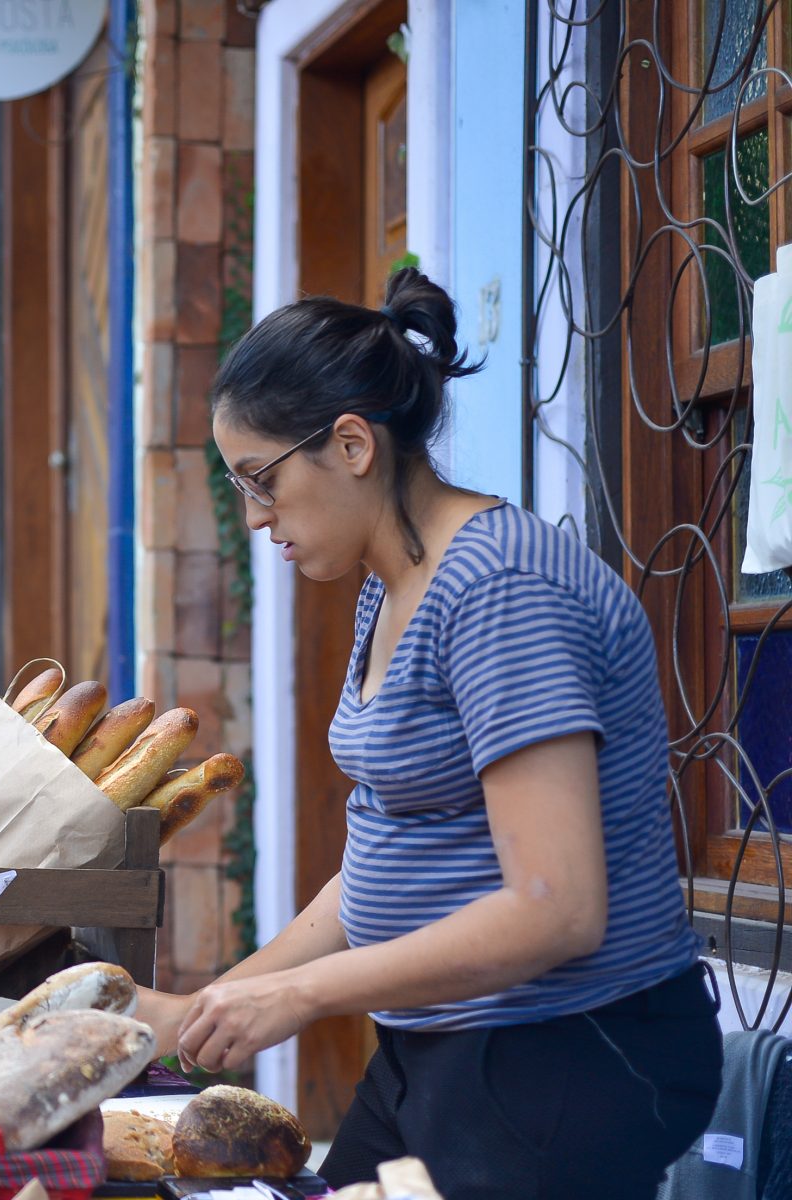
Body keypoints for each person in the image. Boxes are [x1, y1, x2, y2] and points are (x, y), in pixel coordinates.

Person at [135, 268, 722, 1199]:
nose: (254, 518)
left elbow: (555, 905)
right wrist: (205, 1008)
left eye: (261, 480)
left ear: (353, 444)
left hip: (569, 1049)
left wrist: (301, 998)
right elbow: (386, 857)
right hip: (440, 1040)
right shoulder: (392, 583)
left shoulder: (500, 587)